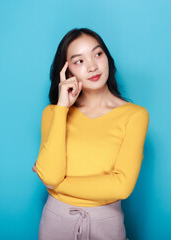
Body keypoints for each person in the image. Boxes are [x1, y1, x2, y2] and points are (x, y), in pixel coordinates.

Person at [32, 27, 149, 240]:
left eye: (97, 54)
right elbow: (50, 174)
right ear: (67, 72)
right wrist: (62, 108)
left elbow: (122, 187)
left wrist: (59, 185)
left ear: (107, 58)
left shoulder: (135, 115)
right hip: (55, 222)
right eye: (79, 61)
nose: (93, 66)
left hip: (107, 224)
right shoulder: (53, 113)